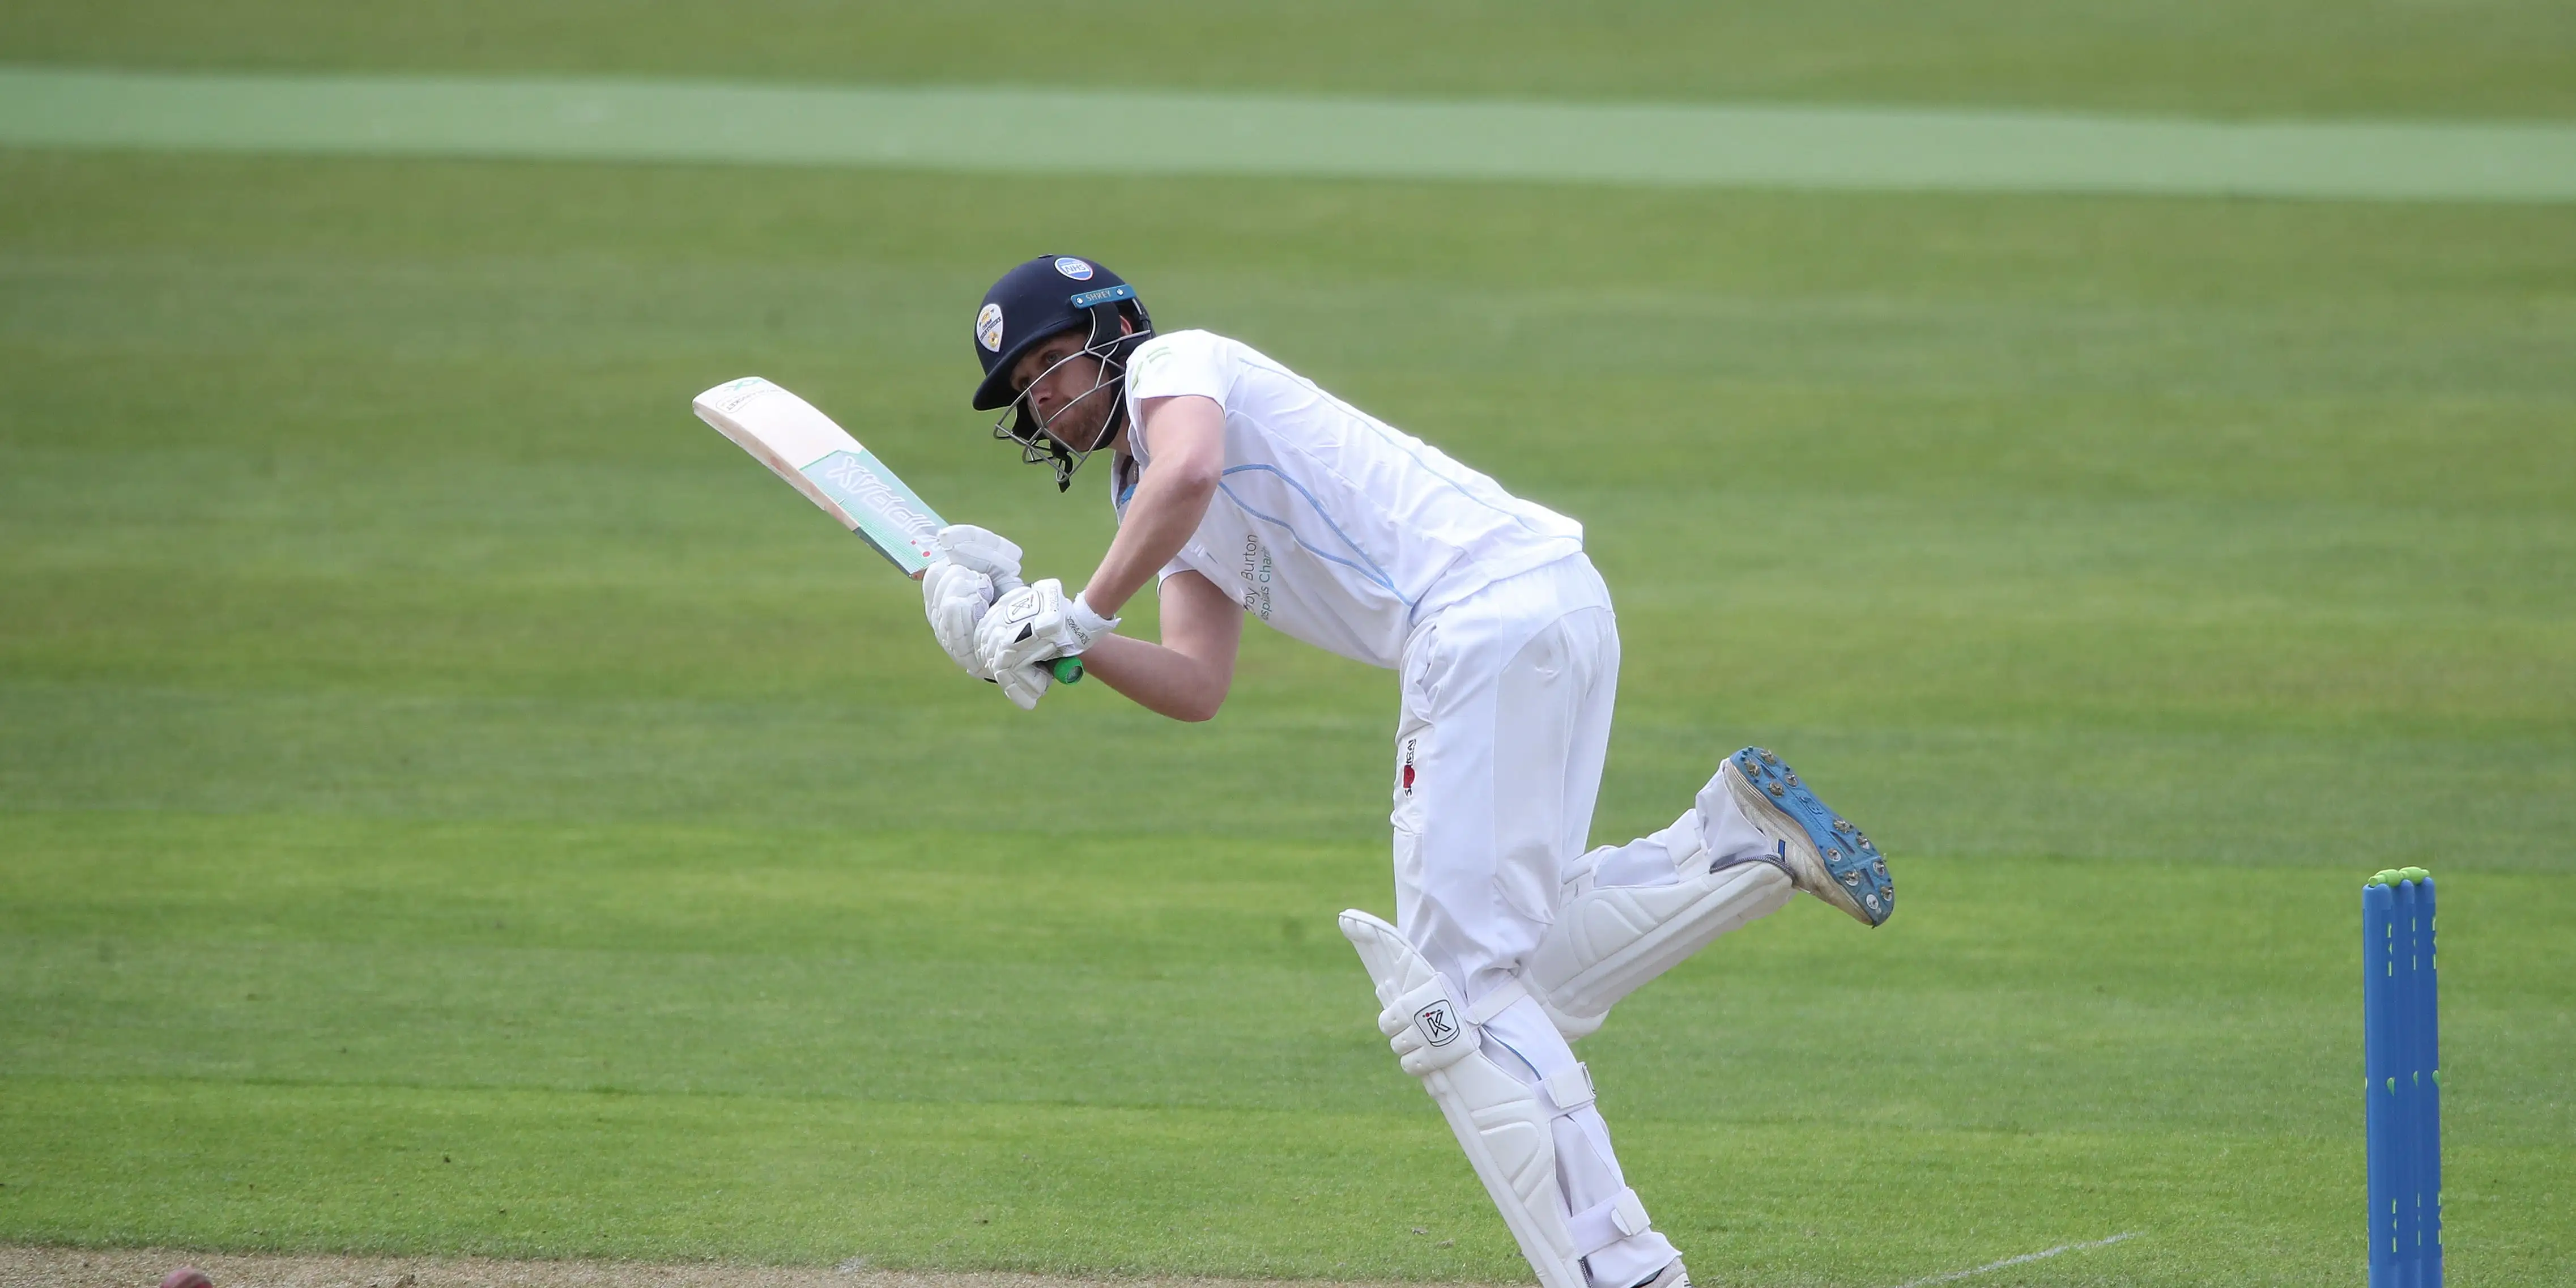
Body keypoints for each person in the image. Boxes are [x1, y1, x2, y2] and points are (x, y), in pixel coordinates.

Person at [921, 255, 1896, 1288]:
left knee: (1453, 1001)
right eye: (1021, 387)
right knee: (1518, 971)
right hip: (1549, 607)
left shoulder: (1177, 366)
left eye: (1048, 362)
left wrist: (1079, 613)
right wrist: (1051, 644)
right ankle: (1730, 848)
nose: (1041, 397)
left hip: (1477, 622)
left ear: (1111, 327)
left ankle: (1621, 1267)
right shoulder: (1141, 499)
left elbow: (1193, 471)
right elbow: (1195, 682)